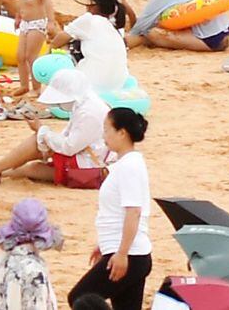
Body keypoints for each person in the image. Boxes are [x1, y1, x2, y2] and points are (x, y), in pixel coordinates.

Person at [73, 108, 152, 310]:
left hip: (129, 254)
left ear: (122, 133)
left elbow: (133, 212)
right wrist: (106, 244)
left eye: (107, 130)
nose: (104, 136)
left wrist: (122, 253)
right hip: (130, 252)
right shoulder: (127, 164)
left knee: (81, 299)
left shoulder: (129, 166)